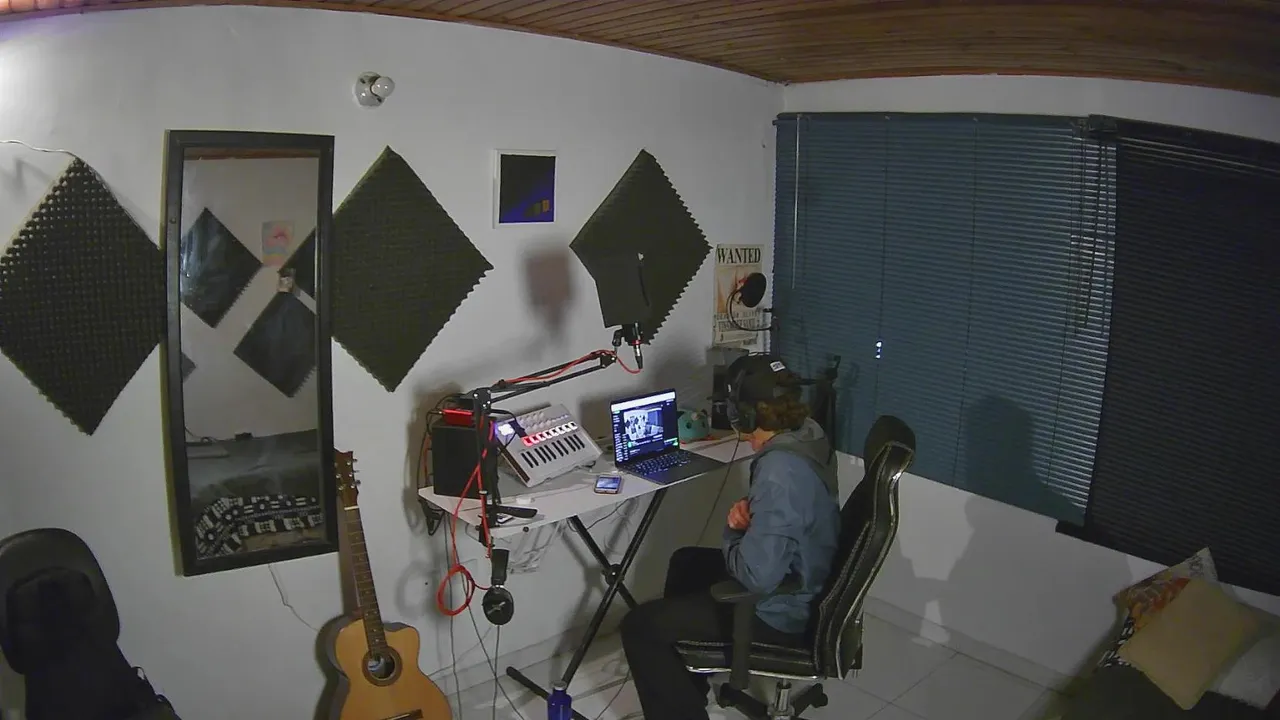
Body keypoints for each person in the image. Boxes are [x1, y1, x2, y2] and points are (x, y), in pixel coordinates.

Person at [620, 355, 841, 720]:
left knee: (640, 627)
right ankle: (687, 691)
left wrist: (734, 530)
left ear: (747, 414)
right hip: (808, 576)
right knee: (686, 562)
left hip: (782, 610)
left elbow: (756, 577)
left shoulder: (778, 470)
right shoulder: (808, 433)